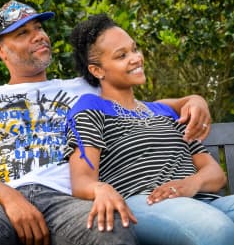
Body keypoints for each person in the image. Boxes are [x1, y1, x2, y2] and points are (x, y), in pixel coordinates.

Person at [0, 0, 211, 245]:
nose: (38, 36)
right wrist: (11, 199)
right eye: (23, 33)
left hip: (68, 201)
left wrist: (194, 99)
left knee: (111, 230)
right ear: (1, 51)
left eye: (39, 28)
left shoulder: (86, 87)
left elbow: (147, 107)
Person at [64, 13, 234, 245]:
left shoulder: (164, 110)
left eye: (134, 49)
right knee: (217, 231)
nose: (135, 58)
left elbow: (215, 175)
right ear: (97, 71)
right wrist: (100, 189)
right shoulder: (90, 109)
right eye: (122, 56)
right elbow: (82, 180)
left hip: (202, 200)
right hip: (145, 203)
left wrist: (190, 184)